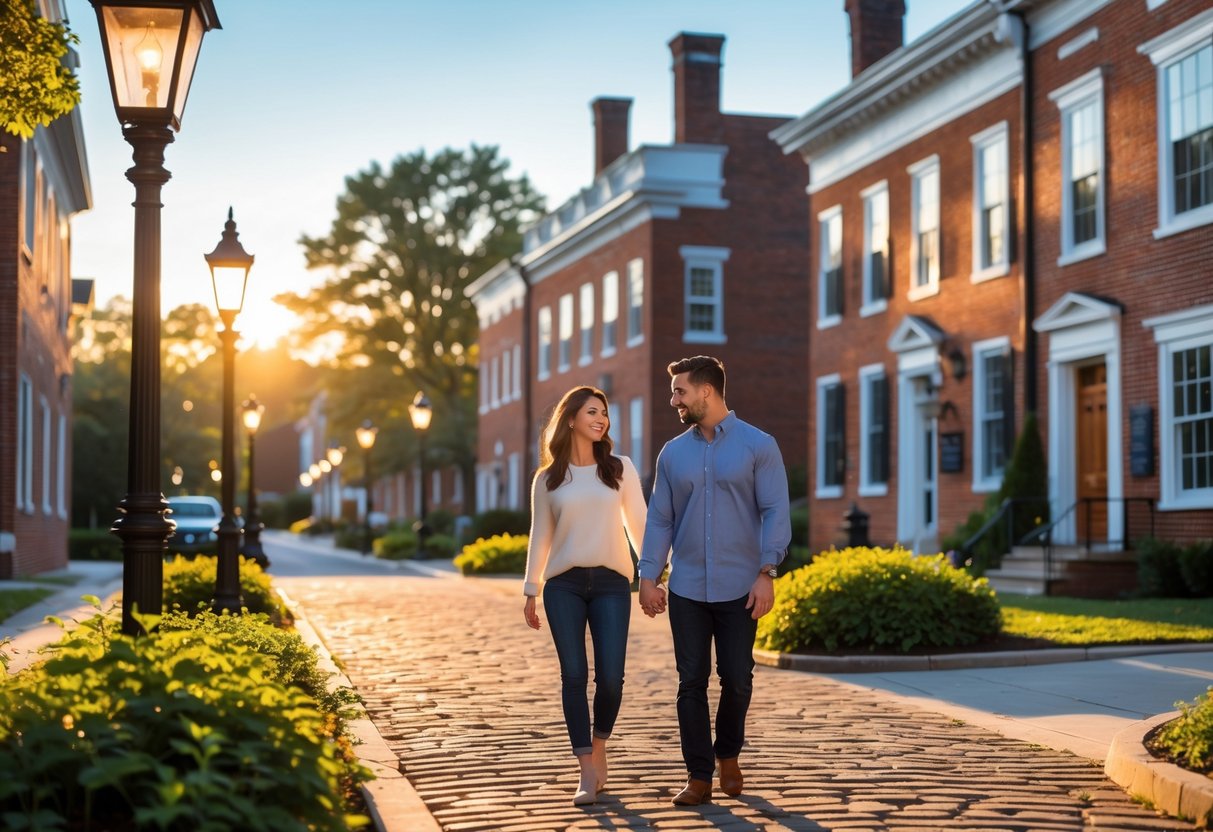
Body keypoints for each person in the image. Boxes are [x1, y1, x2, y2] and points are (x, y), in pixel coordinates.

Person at [637, 355, 791, 806]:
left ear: (707, 391)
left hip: (741, 586)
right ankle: (699, 775)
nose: (674, 400)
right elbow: (660, 519)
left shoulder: (758, 445)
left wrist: (767, 572)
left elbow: (776, 511)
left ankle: (728, 755)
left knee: (738, 678)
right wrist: (649, 575)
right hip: (686, 586)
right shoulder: (672, 453)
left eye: (680, 391)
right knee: (690, 681)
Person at [523, 385, 648, 806]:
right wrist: (530, 589)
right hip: (564, 586)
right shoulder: (548, 478)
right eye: (593, 412)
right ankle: (585, 770)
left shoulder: (619, 469)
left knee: (611, 677)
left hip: (613, 583)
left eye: (605, 413)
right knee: (573, 676)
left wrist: (652, 575)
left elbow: (640, 527)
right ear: (571, 418)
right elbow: (540, 536)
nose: (601, 419)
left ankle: (599, 744)